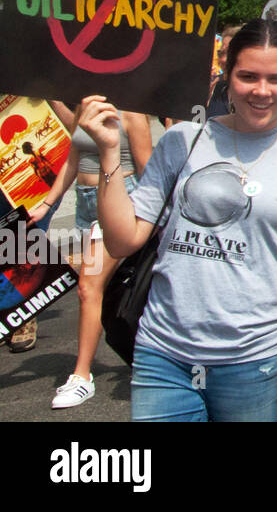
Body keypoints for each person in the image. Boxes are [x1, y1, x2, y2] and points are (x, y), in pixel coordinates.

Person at [93, 19, 277, 421]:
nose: (262, 91)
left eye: (276, 78)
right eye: (248, 76)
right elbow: (122, 242)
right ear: (227, 75)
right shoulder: (181, 142)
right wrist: (108, 153)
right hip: (163, 353)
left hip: (255, 362)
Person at [25, 100, 152, 406]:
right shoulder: (88, 103)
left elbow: (148, 168)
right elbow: (74, 156)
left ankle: (82, 376)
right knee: (97, 288)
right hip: (86, 205)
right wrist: (47, 203)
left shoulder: (132, 111)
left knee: (88, 286)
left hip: (120, 200)